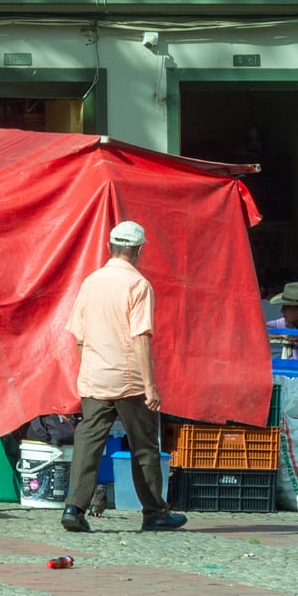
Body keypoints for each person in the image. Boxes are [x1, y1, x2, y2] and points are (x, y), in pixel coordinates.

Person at [60, 221, 186, 533]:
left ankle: (74, 508)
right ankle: (155, 511)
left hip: (93, 376)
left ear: (109, 247)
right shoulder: (138, 285)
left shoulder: (91, 282)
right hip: (128, 378)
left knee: (88, 441)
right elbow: (140, 337)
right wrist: (150, 385)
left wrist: (88, 367)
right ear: (139, 250)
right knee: (144, 445)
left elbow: (77, 336)